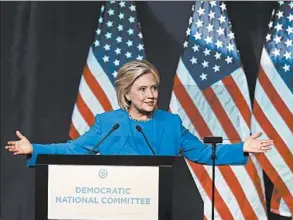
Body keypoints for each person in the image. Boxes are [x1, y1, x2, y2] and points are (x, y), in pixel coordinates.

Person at [5, 60, 273, 167]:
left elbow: (203, 153)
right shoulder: (108, 123)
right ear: (127, 94)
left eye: (154, 88)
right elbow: (74, 150)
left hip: (160, 206)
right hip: (116, 204)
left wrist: (242, 148)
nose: (151, 95)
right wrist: (33, 149)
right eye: (142, 89)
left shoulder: (171, 123)